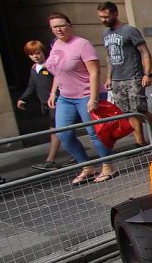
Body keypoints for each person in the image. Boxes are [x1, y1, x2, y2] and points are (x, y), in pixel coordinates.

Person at [43, 13, 116, 184]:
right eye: (54, 27)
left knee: (94, 133)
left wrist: (94, 98)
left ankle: (107, 166)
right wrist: (53, 92)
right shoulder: (55, 45)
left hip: (85, 95)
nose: (59, 29)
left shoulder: (82, 44)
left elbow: (94, 72)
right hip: (65, 97)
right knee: (63, 134)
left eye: (62, 25)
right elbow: (58, 71)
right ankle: (87, 167)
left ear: (70, 25)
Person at [98, 1, 152, 147]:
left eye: (106, 16)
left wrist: (147, 74)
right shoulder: (105, 34)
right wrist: (109, 76)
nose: (103, 20)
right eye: (101, 17)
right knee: (127, 112)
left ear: (115, 14)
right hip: (117, 78)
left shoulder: (129, 30)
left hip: (133, 76)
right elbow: (109, 56)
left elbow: (145, 52)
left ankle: (141, 142)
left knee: (137, 110)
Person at [15, 40, 63, 170]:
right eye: (32, 54)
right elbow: (32, 86)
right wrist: (23, 98)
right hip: (46, 104)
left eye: (38, 53)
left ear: (43, 52)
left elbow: (60, 79)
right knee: (63, 131)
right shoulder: (34, 69)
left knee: (56, 131)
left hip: (58, 102)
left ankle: (50, 160)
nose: (35, 56)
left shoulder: (50, 66)